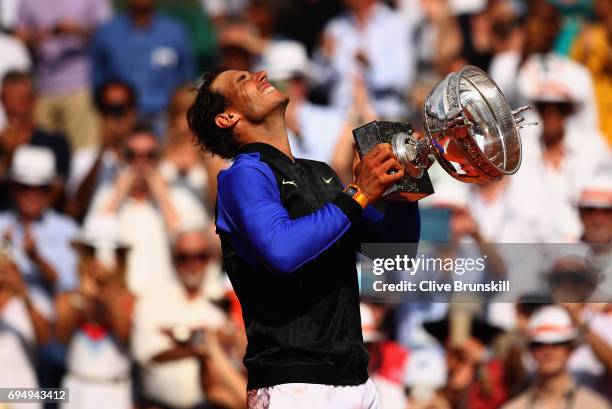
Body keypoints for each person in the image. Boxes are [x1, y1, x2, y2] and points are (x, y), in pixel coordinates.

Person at [187, 68, 420, 408]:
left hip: (356, 379)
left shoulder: (320, 172)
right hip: (293, 384)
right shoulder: (241, 175)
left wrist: (403, 185)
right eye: (242, 80)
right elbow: (281, 250)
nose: (260, 74)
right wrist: (359, 192)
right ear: (228, 117)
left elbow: (396, 252)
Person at [85, 125, 208, 295]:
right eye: (132, 156)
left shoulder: (179, 197)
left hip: (166, 296)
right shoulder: (107, 195)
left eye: (149, 156)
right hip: (120, 298)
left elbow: (189, 245)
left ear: (159, 159)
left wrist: (163, 197)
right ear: (123, 158)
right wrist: (117, 195)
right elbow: (91, 241)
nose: (141, 163)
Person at [132, 227, 246, 409]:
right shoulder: (152, 300)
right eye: (184, 257)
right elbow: (148, 355)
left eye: (200, 256)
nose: (193, 264)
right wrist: (202, 346)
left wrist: (180, 338)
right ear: (173, 259)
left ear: (210, 259)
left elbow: (237, 355)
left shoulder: (222, 300)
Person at [55, 215, 134, 409]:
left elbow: (124, 334)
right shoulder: (68, 297)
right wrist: (82, 298)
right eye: (90, 252)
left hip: (115, 391)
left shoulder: (130, 298)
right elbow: (61, 336)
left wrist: (106, 294)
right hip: (76, 390)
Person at [15, 0, 111, 150]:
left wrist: (77, 30)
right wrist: (37, 36)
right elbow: (18, 35)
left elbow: (108, 34)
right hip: (42, 88)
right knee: (43, 155)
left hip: (80, 87)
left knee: (84, 152)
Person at [91, 0, 195, 131]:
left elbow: (186, 80)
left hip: (165, 118)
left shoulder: (175, 32)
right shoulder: (106, 33)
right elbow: (98, 79)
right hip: (120, 117)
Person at [0, 145, 78, 318]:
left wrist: (37, 259)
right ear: (13, 187)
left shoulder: (67, 230)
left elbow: (69, 287)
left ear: (52, 190)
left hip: (46, 323)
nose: (32, 194)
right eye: (24, 186)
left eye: (41, 188)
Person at [314, 0, 416, 119]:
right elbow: (320, 85)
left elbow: (405, 77)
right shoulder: (335, 27)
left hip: (385, 116)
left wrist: (371, 67)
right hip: (342, 117)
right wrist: (326, 58)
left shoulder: (396, 24)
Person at [502, 305, 610, 409]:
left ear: (570, 349)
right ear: (530, 350)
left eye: (557, 343)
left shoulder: (595, 406)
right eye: (538, 344)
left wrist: (581, 322)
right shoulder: (513, 407)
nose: (547, 351)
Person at [66, 79, 138, 221]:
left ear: (133, 112)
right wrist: (102, 151)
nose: (116, 117)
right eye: (108, 109)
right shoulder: (84, 157)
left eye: (121, 109)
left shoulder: (148, 153)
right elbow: (74, 209)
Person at [0, 70, 72, 209]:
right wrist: (8, 157)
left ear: (34, 100)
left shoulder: (55, 143)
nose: (13, 108)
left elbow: (57, 192)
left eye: (20, 101)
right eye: (8, 101)